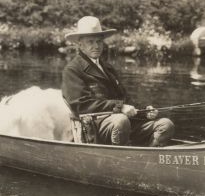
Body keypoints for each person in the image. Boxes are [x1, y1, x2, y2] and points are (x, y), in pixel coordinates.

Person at [62, 16, 175, 146]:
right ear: (80, 44)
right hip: (94, 129)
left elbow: (124, 98)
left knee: (166, 125)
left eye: (99, 41)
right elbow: (80, 106)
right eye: (90, 42)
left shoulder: (107, 68)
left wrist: (145, 112)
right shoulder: (72, 70)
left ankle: (147, 158)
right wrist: (120, 107)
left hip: (122, 124)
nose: (96, 46)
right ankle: (121, 159)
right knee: (121, 121)